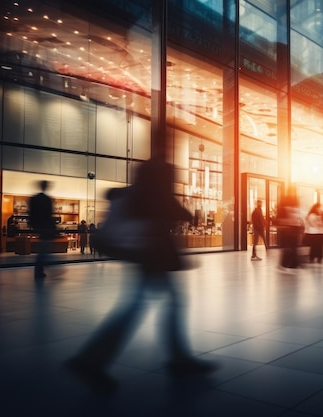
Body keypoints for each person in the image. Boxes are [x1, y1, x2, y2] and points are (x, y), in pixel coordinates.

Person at [66, 157, 217, 394]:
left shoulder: (134, 195)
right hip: (150, 258)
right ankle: (91, 360)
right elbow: (185, 215)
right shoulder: (149, 196)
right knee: (142, 307)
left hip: (146, 258)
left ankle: (177, 358)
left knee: (159, 304)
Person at [28, 180, 56, 280]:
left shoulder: (35, 199)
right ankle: (42, 268)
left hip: (40, 226)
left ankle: (40, 269)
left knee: (44, 248)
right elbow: (49, 214)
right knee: (45, 248)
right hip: (46, 226)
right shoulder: (47, 199)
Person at [275, 188, 304, 271]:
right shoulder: (288, 201)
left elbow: (296, 214)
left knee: (291, 247)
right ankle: (288, 263)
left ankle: (291, 263)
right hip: (289, 227)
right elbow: (282, 214)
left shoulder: (293, 201)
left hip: (292, 227)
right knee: (290, 247)